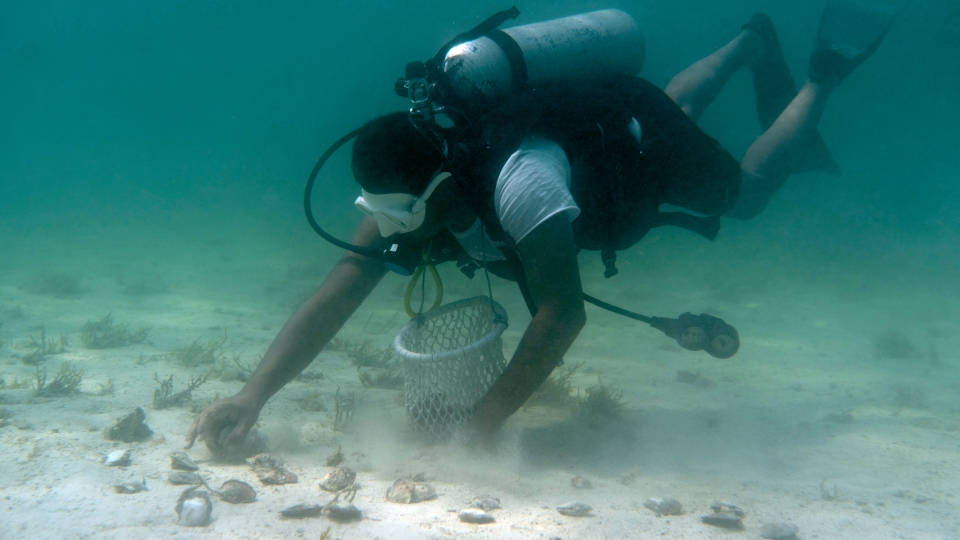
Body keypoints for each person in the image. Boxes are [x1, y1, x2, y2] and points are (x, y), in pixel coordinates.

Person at [186, 5, 894, 451]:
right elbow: (338, 291)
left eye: (399, 216)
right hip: (614, 128)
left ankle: (823, 75)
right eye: (382, 215)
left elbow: (561, 314)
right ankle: (748, 42)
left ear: (440, 190)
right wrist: (252, 395)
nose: (390, 233)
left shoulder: (522, 187)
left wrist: (480, 426)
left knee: (743, 195)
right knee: (666, 115)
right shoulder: (413, 187)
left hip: (625, 151)